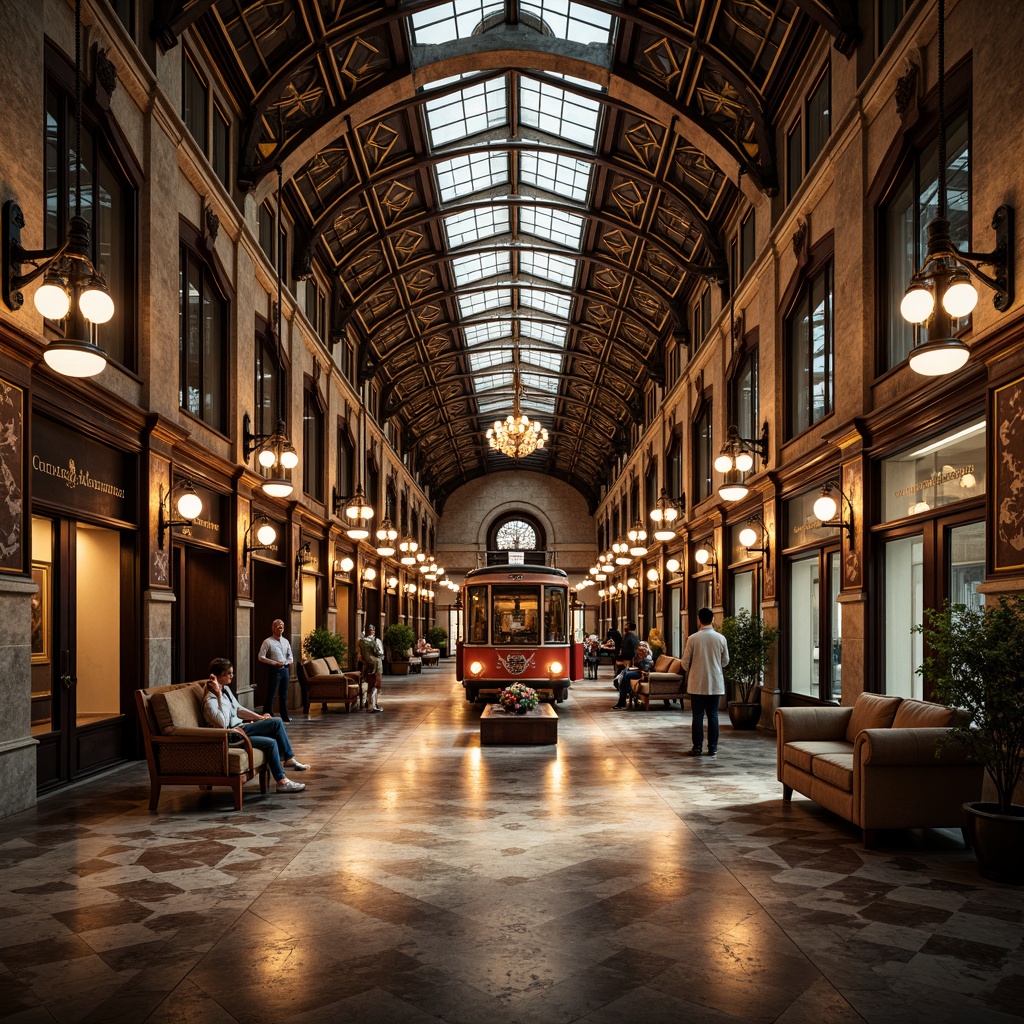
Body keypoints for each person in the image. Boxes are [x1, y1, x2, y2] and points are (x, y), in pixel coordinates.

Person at [203, 658, 308, 793]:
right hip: (231, 736)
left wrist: (259, 717)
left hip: (240, 729)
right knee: (276, 722)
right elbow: (223, 724)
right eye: (229, 674)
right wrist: (218, 695)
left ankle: (282, 781)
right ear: (219, 676)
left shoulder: (227, 690)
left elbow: (239, 709)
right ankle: (288, 759)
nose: (231, 676)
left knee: (271, 742)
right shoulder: (210, 700)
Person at [680, 607, 730, 758]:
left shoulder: (693, 638)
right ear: (712, 619)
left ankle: (697, 747)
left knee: (697, 716)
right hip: (715, 682)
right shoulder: (721, 638)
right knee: (713, 715)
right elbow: (726, 661)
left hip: (697, 683)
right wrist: (715, 665)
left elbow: (684, 663)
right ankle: (713, 748)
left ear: (699, 619)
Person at [258, 618, 293, 720]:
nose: (280, 628)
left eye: (281, 626)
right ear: (273, 628)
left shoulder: (286, 641)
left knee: (284, 694)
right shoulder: (268, 641)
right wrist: (273, 662)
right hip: (275, 670)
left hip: (285, 669)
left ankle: (285, 716)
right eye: (277, 626)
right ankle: (268, 715)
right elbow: (261, 657)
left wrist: (287, 662)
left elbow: (290, 656)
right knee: (272, 693)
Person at [610, 640, 653, 710]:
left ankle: (622, 700)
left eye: (640, 651)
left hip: (643, 674)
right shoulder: (640, 656)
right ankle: (622, 698)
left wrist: (637, 666)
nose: (638, 653)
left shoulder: (648, 658)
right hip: (639, 671)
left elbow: (645, 669)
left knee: (626, 675)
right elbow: (636, 664)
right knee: (624, 673)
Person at [610, 622, 640, 709]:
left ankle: (623, 698)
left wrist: (629, 662)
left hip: (627, 662)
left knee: (619, 679)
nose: (625, 627)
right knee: (618, 680)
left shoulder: (632, 638)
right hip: (625, 661)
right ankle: (623, 696)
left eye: (626, 626)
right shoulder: (628, 637)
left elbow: (633, 652)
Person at [357, 623, 385, 713]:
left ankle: (369, 703)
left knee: (370, 684)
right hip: (376, 665)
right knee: (376, 684)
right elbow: (379, 653)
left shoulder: (360, 642)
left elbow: (359, 656)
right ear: (372, 631)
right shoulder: (374, 641)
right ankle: (372, 705)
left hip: (366, 665)